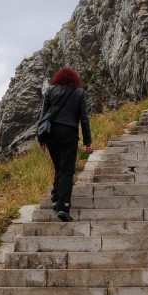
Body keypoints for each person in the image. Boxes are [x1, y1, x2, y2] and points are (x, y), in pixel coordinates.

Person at [38, 67, 92, 222]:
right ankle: (63, 206)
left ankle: (55, 196)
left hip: (50, 134)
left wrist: (40, 138)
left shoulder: (50, 91)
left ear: (57, 78)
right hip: (69, 133)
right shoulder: (79, 93)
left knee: (59, 167)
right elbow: (84, 118)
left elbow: (43, 116)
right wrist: (87, 141)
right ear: (74, 79)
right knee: (67, 170)